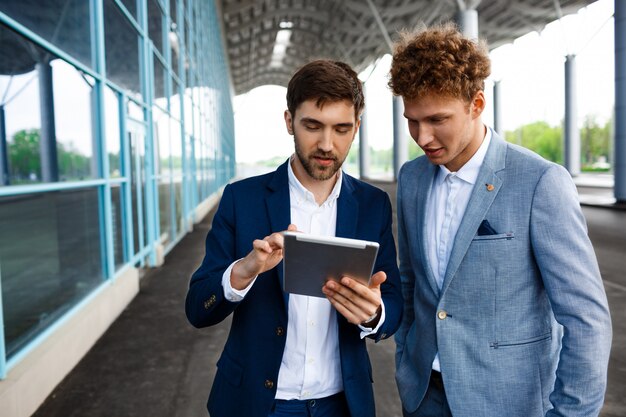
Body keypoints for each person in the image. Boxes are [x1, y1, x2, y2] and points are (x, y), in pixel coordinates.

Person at [389, 23, 612, 417]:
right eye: (412, 120)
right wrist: (407, 359)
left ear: (476, 104)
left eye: (438, 119)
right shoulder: (412, 179)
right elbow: (411, 283)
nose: (422, 137)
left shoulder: (540, 182)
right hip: (424, 394)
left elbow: (586, 320)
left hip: (508, 402)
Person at [185, 59, 403, 417]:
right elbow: (198, 308)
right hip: (258, 403)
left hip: (342, 403)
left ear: (357, 128)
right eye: (312, 126)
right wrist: (245, 270)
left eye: (342, 129)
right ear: (289, 122)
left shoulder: (373, 205)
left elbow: (393, 301)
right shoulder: (243, 199)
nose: (327, 144)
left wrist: (374, 313)